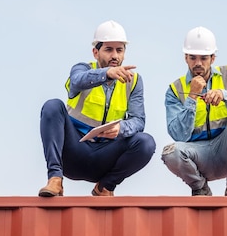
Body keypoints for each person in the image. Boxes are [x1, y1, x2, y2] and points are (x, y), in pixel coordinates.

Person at [38, 20, 156, 197]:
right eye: (108, 50)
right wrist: (106, 74)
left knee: (146, 142)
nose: (114, 56)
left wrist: (120, 129)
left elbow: (139, 121)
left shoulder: (134, 81)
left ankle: (105, 187)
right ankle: (55, 179)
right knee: (52, 106)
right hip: (73, 152)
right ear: (95, 52)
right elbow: (77, 80)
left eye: (119, 50)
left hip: (105, 157)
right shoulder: (81, 70)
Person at [161, 26, 227, 196]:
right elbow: (178, 136)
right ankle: (200, 188)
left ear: (213, 58)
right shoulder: (175, 89)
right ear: (186, 58)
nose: (198, 63)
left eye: (204, 58)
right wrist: (192, 97)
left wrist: (225, 96)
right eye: (192, 57)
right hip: (198, 155)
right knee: (171, 152)